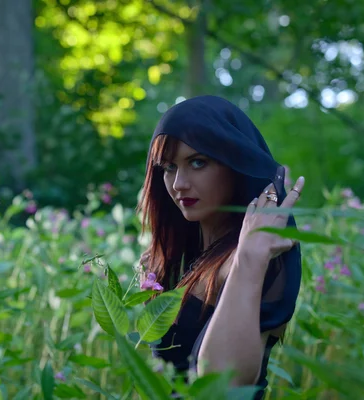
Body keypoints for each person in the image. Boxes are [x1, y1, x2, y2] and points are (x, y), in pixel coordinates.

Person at [136, 95, 304, 399]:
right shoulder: (171, 260)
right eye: (169, 167)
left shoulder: (265, 256)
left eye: (198, 162)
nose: (178, 184)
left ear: (235, 163)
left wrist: (249, 261)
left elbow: (223, 387)